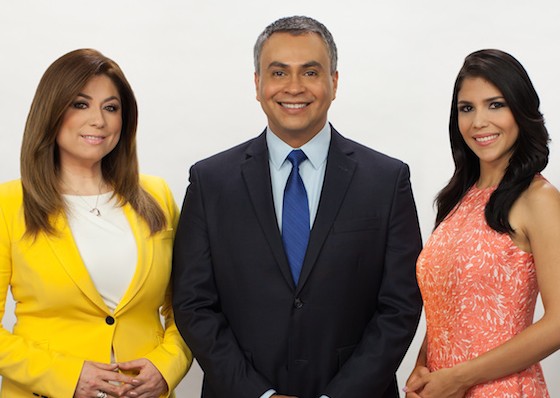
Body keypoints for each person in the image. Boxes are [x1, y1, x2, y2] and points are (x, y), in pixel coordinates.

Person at [172, 15, 422, 398]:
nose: (294, 87)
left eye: (310, 72)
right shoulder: (210, 181)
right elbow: (193, 305)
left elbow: (400, 306)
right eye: (278, 72)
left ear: (334, 83)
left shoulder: (387, 180)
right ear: (257, 84)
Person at [0, 49, 192, 398]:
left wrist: (167, 366)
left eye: (111, 107)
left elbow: (188, 306)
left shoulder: (157, 195)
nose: (99, 121)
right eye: (80, 104)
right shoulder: (8, 205)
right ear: (51, 112)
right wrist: (67, 376)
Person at [405, 49, 560, 398]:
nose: (478, 122)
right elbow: (450, 308)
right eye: (467, 108)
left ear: (521, 110)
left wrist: (461, 377)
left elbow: (558, 324)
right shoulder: (458, 200)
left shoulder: (539, 199)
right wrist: (422, 367)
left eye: (495, 104)